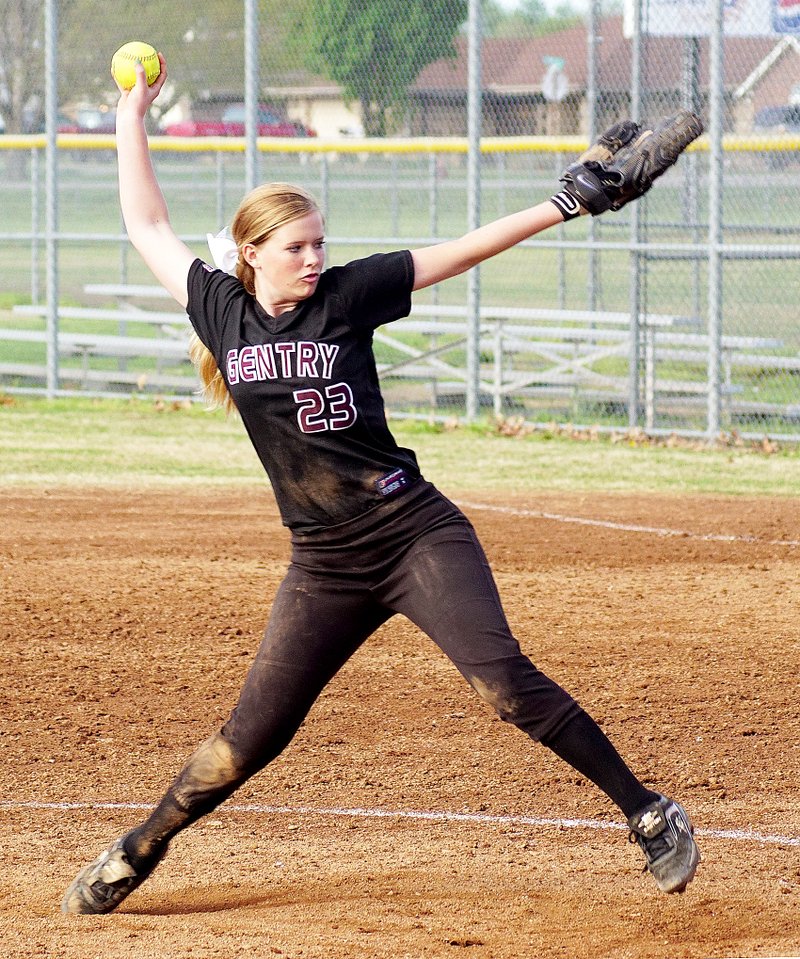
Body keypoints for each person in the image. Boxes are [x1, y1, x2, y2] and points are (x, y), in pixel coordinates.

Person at [62, 55, 700, 916]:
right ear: (251, 253)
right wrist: (132, 112)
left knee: (503, 684)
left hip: (412, 533)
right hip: (324, 563)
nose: (315, 258)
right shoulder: (223, 310)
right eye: (296, 247)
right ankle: (139, 848)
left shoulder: (350, 294)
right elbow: (145, 218)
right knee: (246, 741)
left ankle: (649, 812)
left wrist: (565, 202)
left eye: (320, 241)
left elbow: (459, 252)